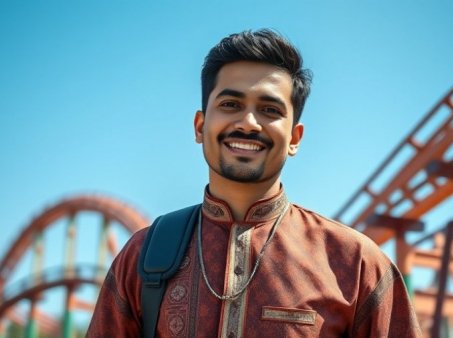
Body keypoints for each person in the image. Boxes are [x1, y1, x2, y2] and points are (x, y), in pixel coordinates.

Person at [87, 29, 421, 337]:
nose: (248, 123)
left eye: (269, 109)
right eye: (230, 104)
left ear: (294, 137)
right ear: (200, 126)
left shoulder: (356, 264)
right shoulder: (142, 256)